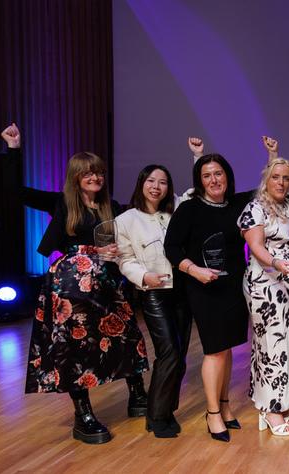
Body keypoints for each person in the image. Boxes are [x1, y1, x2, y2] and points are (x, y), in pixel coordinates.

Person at [1, 124, 149, 445]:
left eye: (98, 173)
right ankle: (83, 415)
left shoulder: (114, 207)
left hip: (108, 281)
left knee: (126, 335)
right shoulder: (61, 203)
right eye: (87, 174)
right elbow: (14, 189)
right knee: (76, 346)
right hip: (71, 284)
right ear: (76, 178)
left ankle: (138, 396)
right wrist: (14, 149)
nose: (95, 178)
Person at [164, 138, 258, 442]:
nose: (213, 179)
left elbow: (276, 187)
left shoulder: (240, 204)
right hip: (202, 286)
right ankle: (212, 413)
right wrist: (194, 270)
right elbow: (171, 247)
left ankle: (226, 405)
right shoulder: (189, 208)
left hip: (233, 285)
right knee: (214, 350)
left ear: (227, 177)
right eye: (206, 175)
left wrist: (273, 155)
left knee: (227, 348)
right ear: (199, 180)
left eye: (218, 174)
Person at [238, 127, 289, 436]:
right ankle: (270, 409)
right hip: (265, 283)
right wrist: (276, 263)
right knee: (269, 344)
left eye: (287, 178)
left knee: (288, 344)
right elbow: (257, 247)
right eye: (276, 177)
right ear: (266, 179)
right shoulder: (255, 208)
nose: (282, 182)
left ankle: (279, 403)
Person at [115, 164, 192, 438]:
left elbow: (197, 193)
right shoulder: (125, 220)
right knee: (168, 351)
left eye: (162, 182)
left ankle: (166, 410)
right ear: (141, 184)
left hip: (183, 289)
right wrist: (144, 276)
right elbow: (124, 259)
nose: (156, 186)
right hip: (154, 292)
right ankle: (156, 415)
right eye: (151, 180)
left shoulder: (178, 211)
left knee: (180, 356)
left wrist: (196, 157)